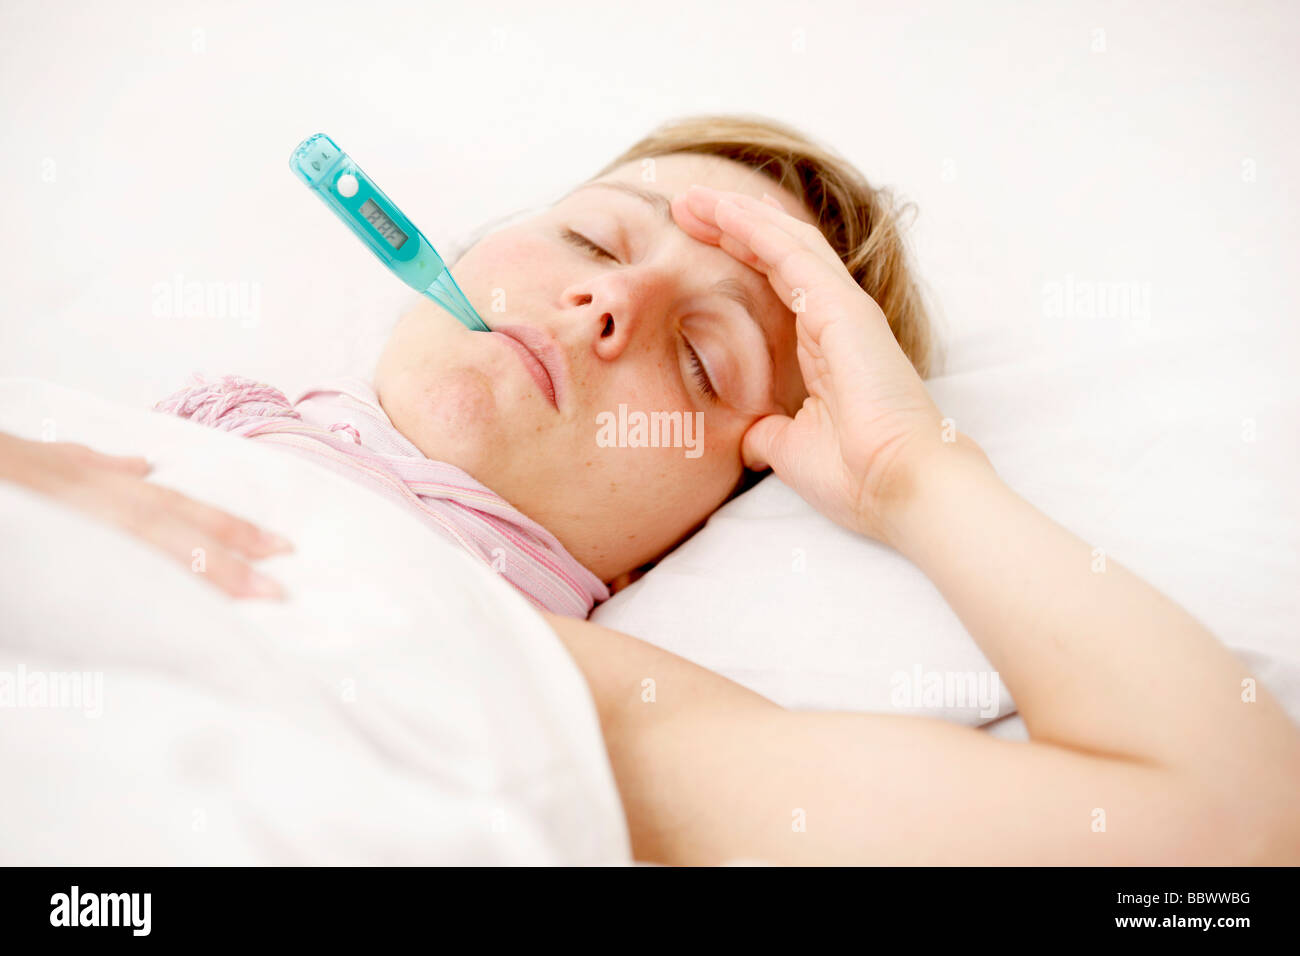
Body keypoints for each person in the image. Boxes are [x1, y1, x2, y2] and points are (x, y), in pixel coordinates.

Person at [2, 115, 1297, 865]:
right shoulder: (78, 425)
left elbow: (1230, 827)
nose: (610, 299)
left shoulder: (576, 685)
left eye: (700, 353)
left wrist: (917, 473)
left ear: (695, 531)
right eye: (591, 239)